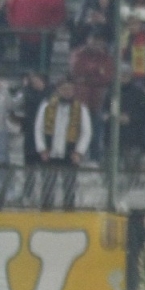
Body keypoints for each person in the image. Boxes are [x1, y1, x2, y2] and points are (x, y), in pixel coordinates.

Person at [33, 75, 90, 210]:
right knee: (48, 186)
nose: (67, 92)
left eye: (70, 89)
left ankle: (69, 212)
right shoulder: (47, 105)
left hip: (70, 152)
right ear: (58, 90)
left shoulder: (80, 108)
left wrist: (79, 152)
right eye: (64, 89)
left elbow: (86, 132)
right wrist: (42, 148)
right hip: (50, 151)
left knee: (69, 187)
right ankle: (46, 212)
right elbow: (38, 128)